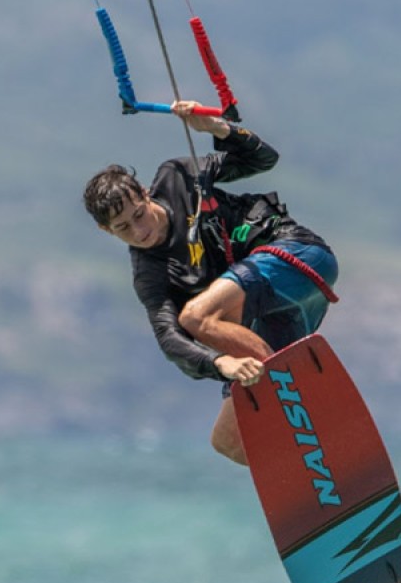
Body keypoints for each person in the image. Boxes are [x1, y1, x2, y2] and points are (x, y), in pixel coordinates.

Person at [83, 100, 338, 465]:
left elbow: (263, 159)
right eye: (123, 228)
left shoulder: (176, 177)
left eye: (139, 214)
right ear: (105, 231)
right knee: (229, 441)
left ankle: (290, 394)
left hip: (298, 257)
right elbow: (169, 340)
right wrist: (222, 364)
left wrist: (218, 130)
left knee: (196, 317)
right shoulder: (149, 275)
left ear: (143, 192)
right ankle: (318, 475)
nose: (140, 231)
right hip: (274, 316)